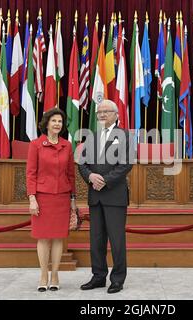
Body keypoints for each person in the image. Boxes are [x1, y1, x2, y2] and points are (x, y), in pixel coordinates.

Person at [78, 99, 133, 294]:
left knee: (117, 241)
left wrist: (105, 180)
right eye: (99, 112)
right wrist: (91, 177)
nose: (101, 115)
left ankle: (117, 279)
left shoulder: (126, 135)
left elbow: (126, 164)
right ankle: (98, 276)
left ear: (116, 115)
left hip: (115, 196)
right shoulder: (92, 136)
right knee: (96, 240)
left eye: (106, 111)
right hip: (95, 196)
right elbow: (81, 164)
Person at [26, 108, 77, 292]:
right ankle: (43, 274)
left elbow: (71, 175)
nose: (57, 124)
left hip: (62, 197)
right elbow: (30, 174)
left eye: (60, 121)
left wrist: (73, 198)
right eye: (54, 121)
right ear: (46, 123)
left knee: (58, 238)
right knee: (43, 238)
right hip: (42, 197)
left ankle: (55, 274)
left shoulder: (67, 145)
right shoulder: (35, 145)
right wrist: (32, 199)